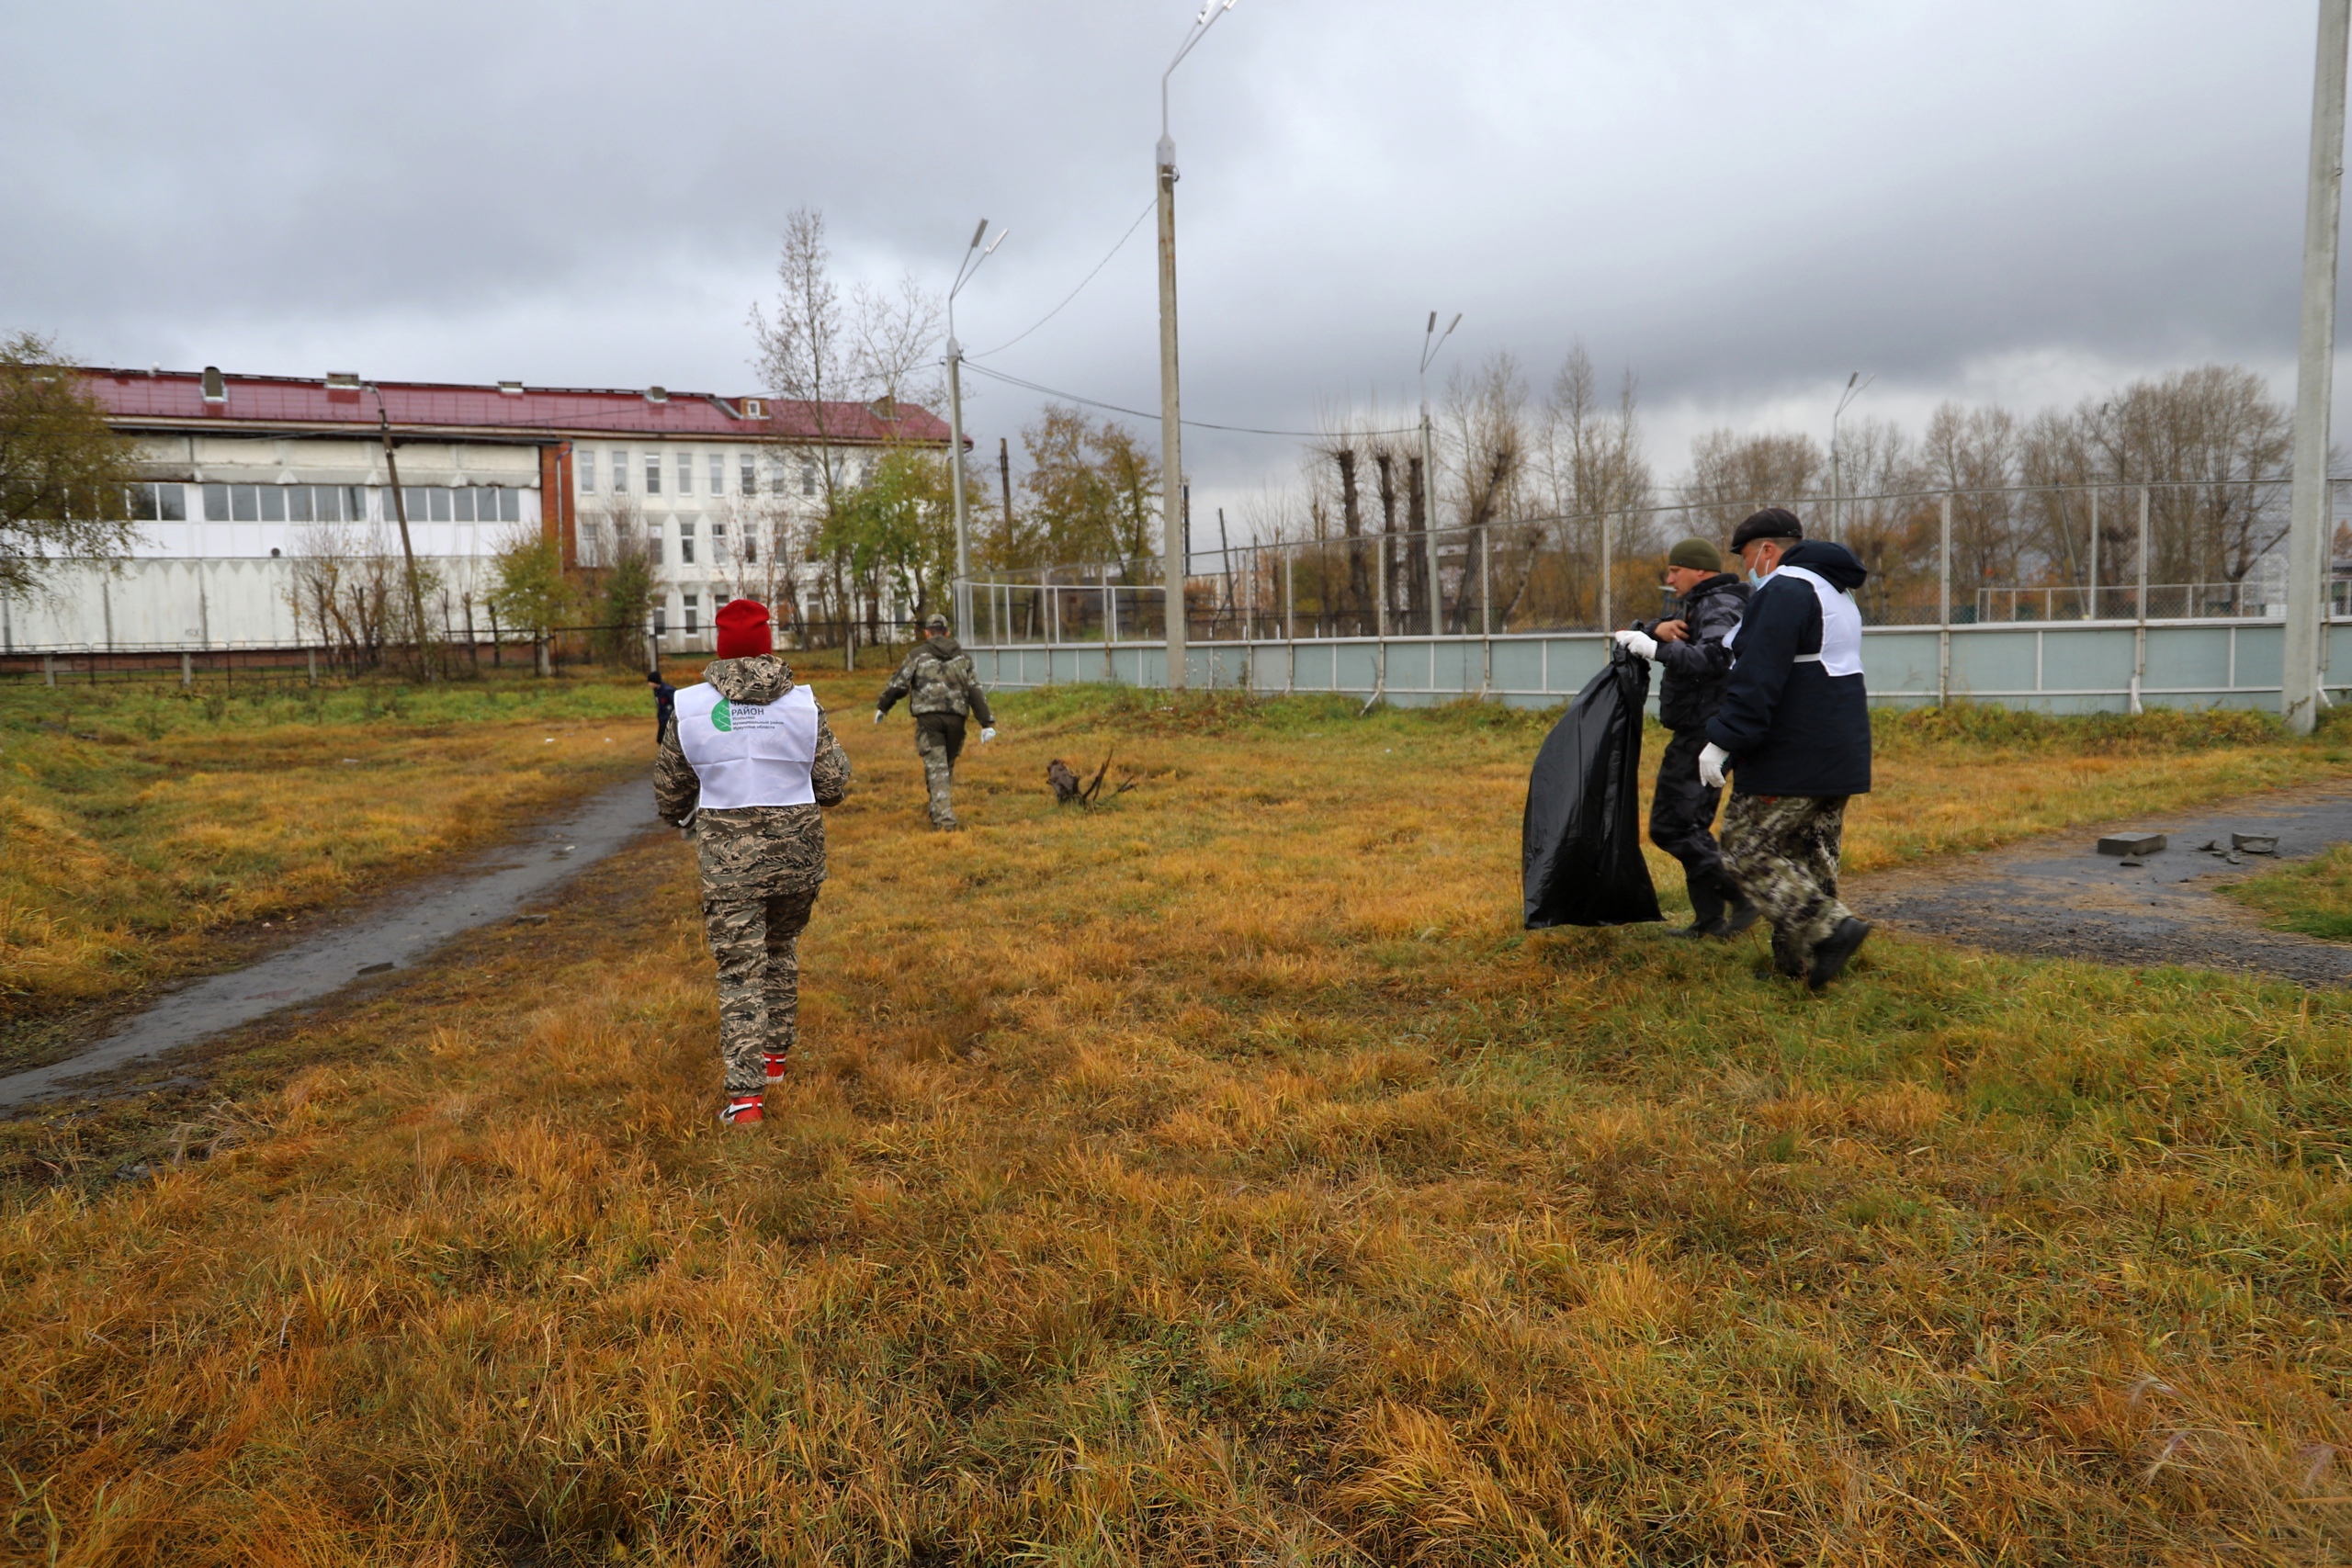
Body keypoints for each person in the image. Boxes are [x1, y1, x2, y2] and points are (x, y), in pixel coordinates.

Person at [655, 597, 851, 1124]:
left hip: (729, 862)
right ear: (768, 643)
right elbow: (833, 786)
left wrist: (683, 813)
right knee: (781, 947)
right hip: (799, 856)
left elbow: (669, 794)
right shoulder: (805, 705)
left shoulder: (691, 707)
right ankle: (775, 1059)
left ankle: (745, 1101)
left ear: (721, 647)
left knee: (741, 970)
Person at [1700, 508, 1874, 989]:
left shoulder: (1784, 591)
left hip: (1793, 756)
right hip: (1840, 752)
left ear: (1769, 551)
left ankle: (1832, 930)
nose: (1749, 569)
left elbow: (1757, 679)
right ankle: (1799, 966)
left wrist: (1722, 742)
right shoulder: (1834, 592)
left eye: (1749, 557)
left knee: (1744, 849)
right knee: (1809, 857)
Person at [1611, 537, 1757, 938]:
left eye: (1675, 570)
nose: (1669, 578)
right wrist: (1652, 630)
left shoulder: (1720, 605)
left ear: (1699, 571)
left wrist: (1655, 649)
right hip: (1697, 728)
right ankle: (1709, 922)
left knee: (1673, 827)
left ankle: (1741, 894)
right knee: (1688, 825)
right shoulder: (1702, 603)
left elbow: (1716, 659)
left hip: (1704, 732)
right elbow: (1643, 634)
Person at [874, 612, 997, 830]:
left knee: (937, 768)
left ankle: (945, 822)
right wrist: (986, 722)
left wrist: (883, 706)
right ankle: (937, 809)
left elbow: (899, 684)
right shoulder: (963, 658)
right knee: (943, 767)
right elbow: (975, 691)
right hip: (957, 720)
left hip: (929, 720)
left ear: (927, 633)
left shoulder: (917, 655)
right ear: (947, 633)